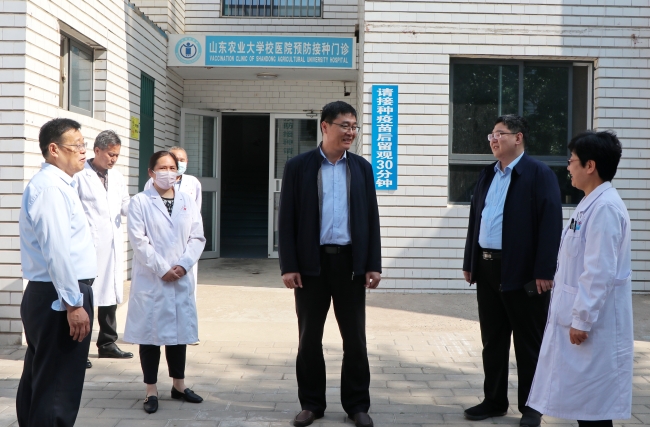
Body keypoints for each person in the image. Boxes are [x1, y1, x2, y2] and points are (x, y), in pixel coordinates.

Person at [278, 101, 381, 427]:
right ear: (325, 126)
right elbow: (287, 218)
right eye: (344, 125)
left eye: (354, 126)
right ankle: (311, 404)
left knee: (355, 339)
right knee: (309, 339)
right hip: (312, 265)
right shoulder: (299, 166)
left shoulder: (361, 168)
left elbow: (371, 218)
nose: (351, 132)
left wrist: (373, 263)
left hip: (350, 264)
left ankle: (357, 405)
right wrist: (288, 265)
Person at [462, 115, 563, 427]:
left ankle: (532, 407)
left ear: (518, 138)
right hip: (487, 268)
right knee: (493, 340)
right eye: (491, 135)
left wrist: (545, 271)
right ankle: (494, 400)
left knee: (528, 342)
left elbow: (550, 225)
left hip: (524, 272)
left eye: (500, 134)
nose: (493, 139)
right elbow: (476, 220)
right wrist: (470, 262)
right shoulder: (488, 174)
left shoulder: (538, 174)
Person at [527, 131, 633, 426]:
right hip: (576, 317)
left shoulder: (605, 208)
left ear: (590, 166)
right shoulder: (590, 204)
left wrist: (582, 319)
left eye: (572, 160)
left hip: (593, 325)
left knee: (593, 410)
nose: (568, 167)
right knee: (585, 406)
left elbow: (599, 271)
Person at [17, 118, 97, 426]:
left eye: (84, 145)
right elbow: (57, 251)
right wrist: (73, 303)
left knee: (43, 378)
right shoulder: (51, 188)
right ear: (54, 149)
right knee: (57, 388)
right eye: (77, 145)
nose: (83, 151)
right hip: (59, 295)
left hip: (55, 292)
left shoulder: (60, 185)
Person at [124, 150, 206, 414]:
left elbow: (197, 237)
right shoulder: (140, 202)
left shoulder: (187, 200)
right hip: (152, 279)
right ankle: (151, 390)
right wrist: (162, 269)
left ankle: (179, 385)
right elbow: (139, 242)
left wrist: (183, 265)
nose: (169, 172)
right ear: (151, 172)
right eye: (162, 168)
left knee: (178, 334)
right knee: (150, 336)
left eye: (172, 168)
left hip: (180, 276)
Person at [74, 130, 132, 369]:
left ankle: (107, 343)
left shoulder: (117, 177)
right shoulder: (79, 176)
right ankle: (79, 350)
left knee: (110, 294)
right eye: (110, 154)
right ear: (96, 150)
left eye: (117, 155)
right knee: (87, 297)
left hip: (112, 245)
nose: (114, 159)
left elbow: (126, 204)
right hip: (88, 246)